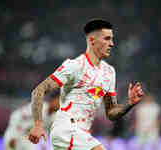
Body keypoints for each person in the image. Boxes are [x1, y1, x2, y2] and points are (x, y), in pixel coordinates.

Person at [28, 19, 144, 150]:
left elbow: (111, 112)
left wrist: (130, 104)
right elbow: (38, 90)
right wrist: (38, 124)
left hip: (82, 133)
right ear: (91, 40)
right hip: (66, 129)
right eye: (107, 39)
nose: (111, 44)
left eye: (112, 39)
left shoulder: (109, 72)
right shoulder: (75, 66)